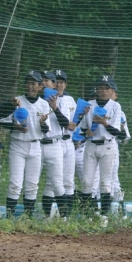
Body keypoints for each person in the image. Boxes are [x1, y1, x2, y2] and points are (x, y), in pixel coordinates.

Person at [0, 71, 50, 215]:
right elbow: (3, 121)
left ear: (40, 86)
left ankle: (28, 217)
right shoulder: (17, 101)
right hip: (18, 145)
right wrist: (16, 127)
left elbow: (46, 130)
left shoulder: (44, 104)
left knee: (32, 184)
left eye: (33, 83)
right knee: (15, 183)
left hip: (35, 145)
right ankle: (10, 217)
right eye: (27, 83)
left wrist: (43, 123)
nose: (30, 86)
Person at [78, 75, 123, 216]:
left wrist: (104, 123)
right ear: (96, 90)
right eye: (100, 88)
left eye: (107, 88)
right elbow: (83, 129)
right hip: (91, 145)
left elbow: (116, 131)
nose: (103, 91)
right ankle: (87, 215)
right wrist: (87, 131)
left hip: (108, 145)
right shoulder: (89, 105)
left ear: (112, 90)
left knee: (105, 182)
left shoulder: (115, 106)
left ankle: (104, 215)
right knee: (87, 181)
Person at [39, 71, 68, 216]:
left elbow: (66, 124)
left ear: (54, 84)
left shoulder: (61, 101)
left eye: (47, 80)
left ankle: (64, 218)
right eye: (42, 80)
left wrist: (55, 107)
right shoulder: (34, 100)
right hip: (36, 144)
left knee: (56, 183)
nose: (44, 83)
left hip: (54, 144)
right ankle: (44, 217)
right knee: (32, 182)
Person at [51, 69, 78, 215]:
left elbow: (75, 120)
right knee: (53, 181)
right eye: (55, 82)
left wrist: (75, 125)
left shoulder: (70, 99)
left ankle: (67, 215)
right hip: (55, 142)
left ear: (65, 84)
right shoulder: (47, 100)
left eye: (61, 82)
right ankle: (50, 213)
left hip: (69, 142)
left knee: (68, 180)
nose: (58, 85)